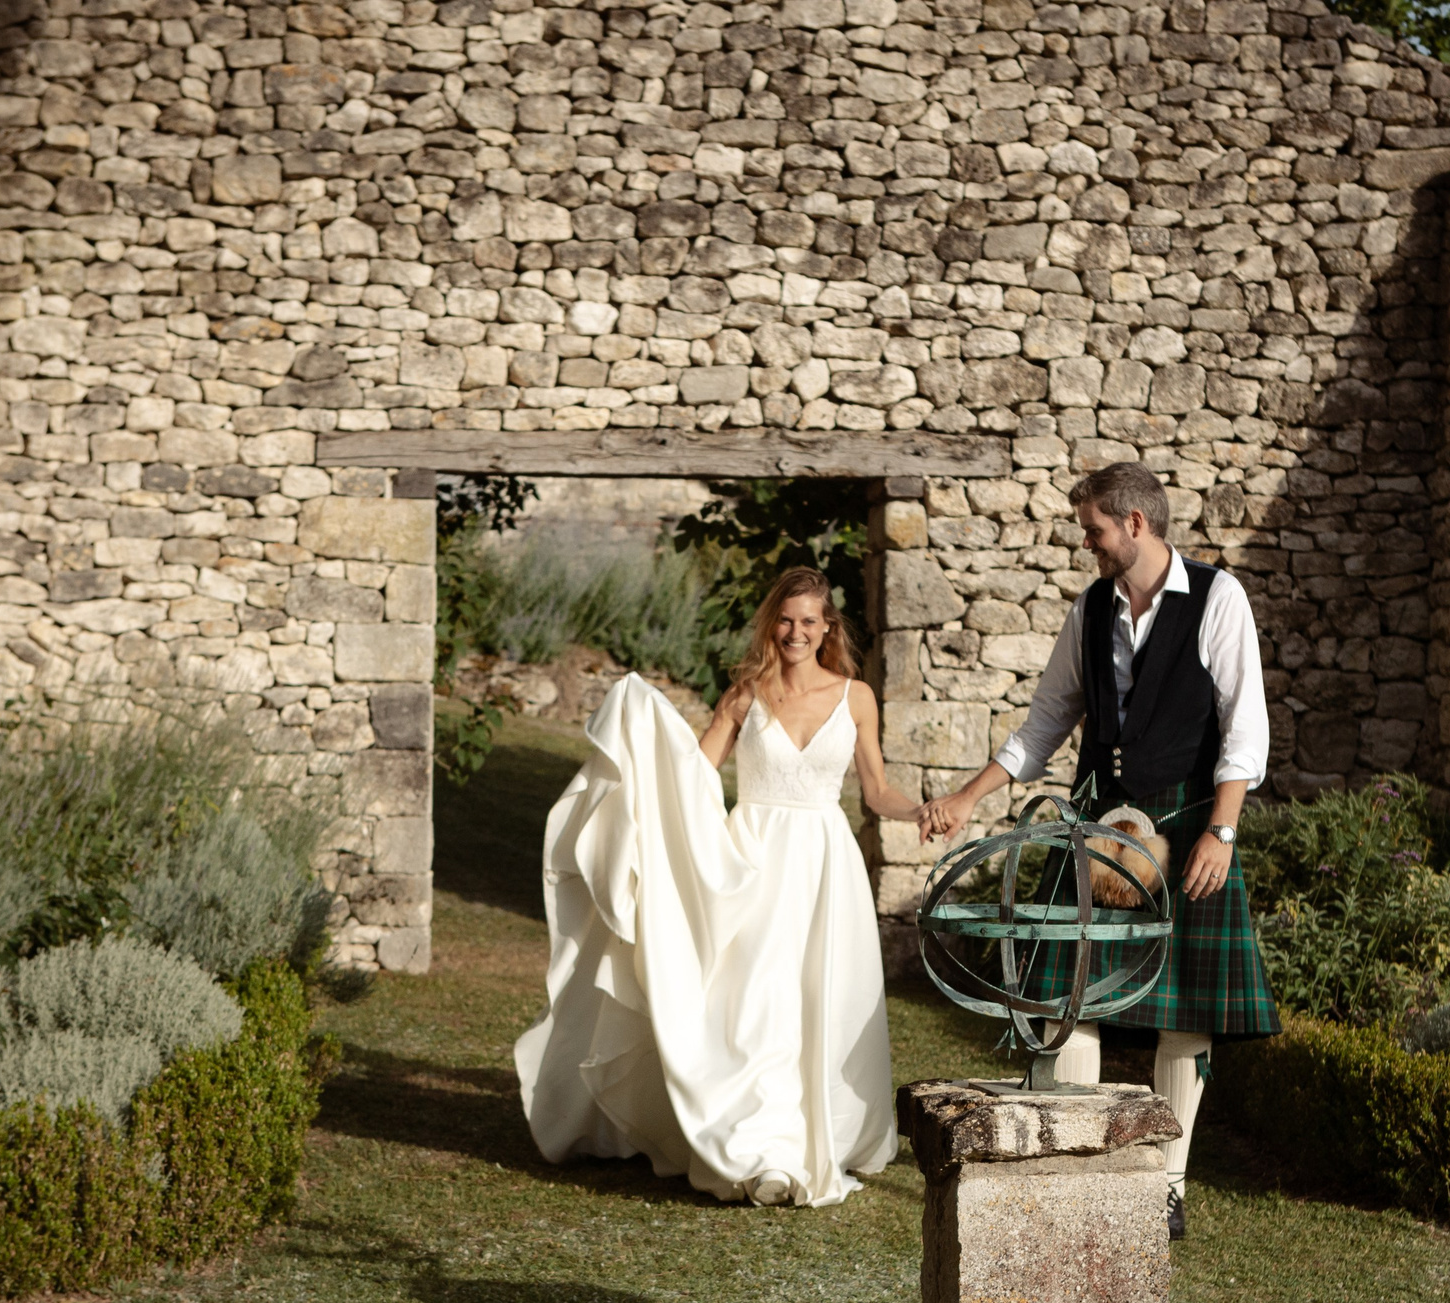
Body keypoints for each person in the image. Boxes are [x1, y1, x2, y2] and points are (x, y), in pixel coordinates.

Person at [920, 461, 1281, 1240]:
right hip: (1093, 830)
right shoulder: (1089, 609)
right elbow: (1045, 722)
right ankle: (1079, 1173)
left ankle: (1167, 1189)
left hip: (1187, 827)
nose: (1086, 543)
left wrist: (1222, 830)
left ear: (1136, 524)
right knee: (1068, 999)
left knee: (1185, 1018)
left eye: (1094, 530)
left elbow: (1244, 727)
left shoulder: (1218, 598)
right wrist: (968, 796)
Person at [516, 568, 921, 1208]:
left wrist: (918, 811)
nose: (795, 632)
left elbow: (876, 790)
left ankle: (822, 1132)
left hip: (825, 864)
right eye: (784, 619)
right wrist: (642, 740)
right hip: (751, 858)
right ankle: (759, 1146)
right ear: (771, 622)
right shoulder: (746, 694)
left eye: (808, 621)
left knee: (821, 995)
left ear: (827, 628)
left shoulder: (857, 697)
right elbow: (693, 776)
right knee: (754, 1002)